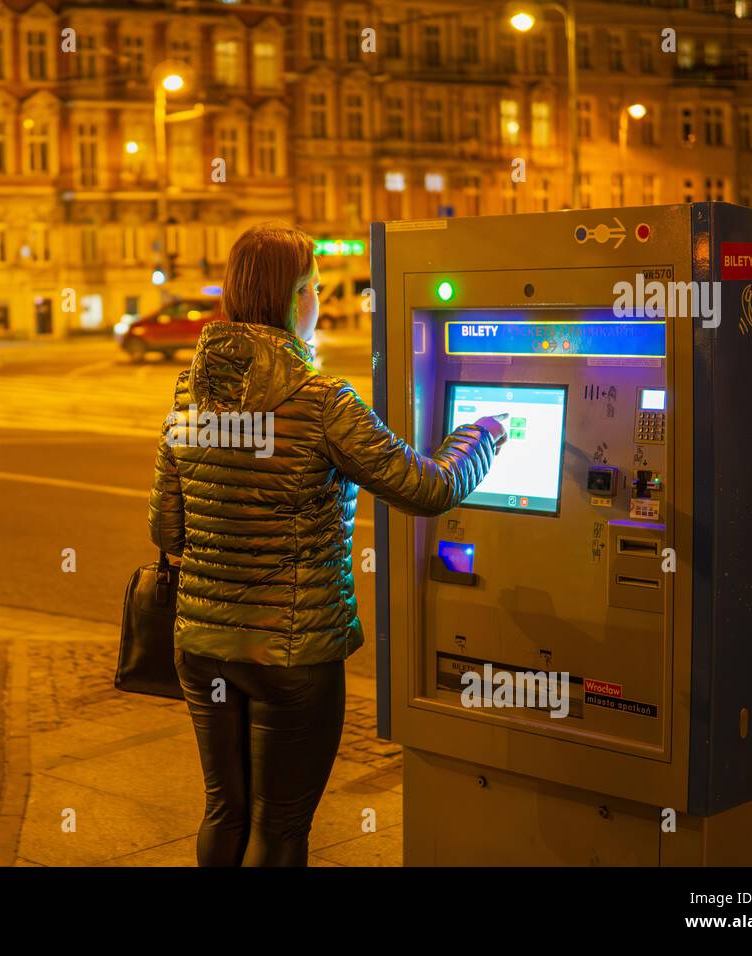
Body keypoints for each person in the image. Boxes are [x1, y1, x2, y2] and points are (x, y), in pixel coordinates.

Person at [148, 221, 507, 867]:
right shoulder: (320, 400)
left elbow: (166, 530)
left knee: (224, 810)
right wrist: (481, 434)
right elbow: (425, 489)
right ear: (295, 297)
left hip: (200, 646)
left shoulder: (187, 393)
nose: (320, 301)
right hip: (292, 650)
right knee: (279, 826)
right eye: (314, 287)